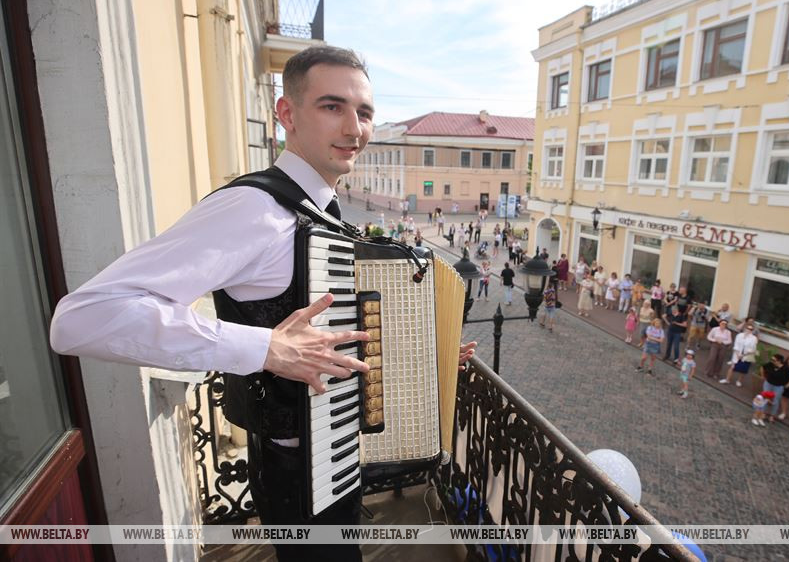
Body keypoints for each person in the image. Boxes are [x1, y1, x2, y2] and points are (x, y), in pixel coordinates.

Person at [49, 46, 476, 562]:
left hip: (335, 458)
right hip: (296, 476)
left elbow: (340, 326)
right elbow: (82, 319)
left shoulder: (322, 210)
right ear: (287, 113)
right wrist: (266, 348)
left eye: (364, 112)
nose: (354, 128)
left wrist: (419, 362)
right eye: (332, 106)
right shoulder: (252, 208)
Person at [720, 323, 758, 387]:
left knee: (743, 369)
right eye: (747, 328)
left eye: (751, 329)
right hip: (737, 354)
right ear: (745, 328)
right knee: (732, 367)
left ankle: (739, 381)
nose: (749, 330)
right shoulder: (740, 335)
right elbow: (736, 345)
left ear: (752, 330)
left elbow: (753, 349)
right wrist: (738, 354)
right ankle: (727, 379)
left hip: (746, 355)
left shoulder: (754, 338)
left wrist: (743, 355)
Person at [761, 354, 789, 424]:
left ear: (779, 361)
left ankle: (772, 416)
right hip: (768, 383)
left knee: (775, 401)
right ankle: (763, 413)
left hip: (778, 386)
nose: (772, 361)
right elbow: (762, 367)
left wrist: (788, 384)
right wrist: (763, 376)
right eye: (771, 359)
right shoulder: (770, 364)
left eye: (774, 360)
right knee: (765, 398)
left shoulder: (785, 368)